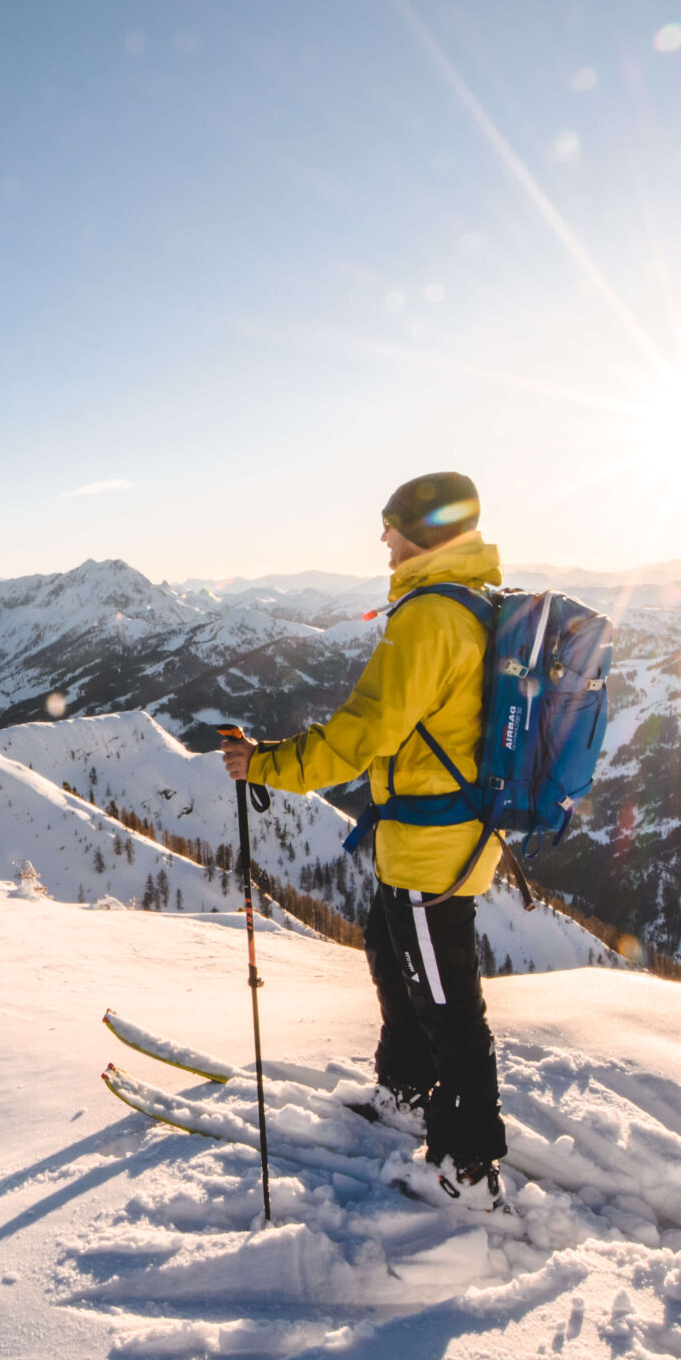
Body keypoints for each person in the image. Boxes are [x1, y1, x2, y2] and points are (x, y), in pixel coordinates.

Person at [218, 470, 509, 1201]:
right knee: (390, 951)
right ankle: (408, 1091)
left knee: (448, 1002)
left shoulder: (430, 618)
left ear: (426, 531)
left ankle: (470, 1165)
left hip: (432, 849)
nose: (382, 538)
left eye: (392, 525)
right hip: (427, 837)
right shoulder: (460, 602)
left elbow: (360, 737)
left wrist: (265, 763)